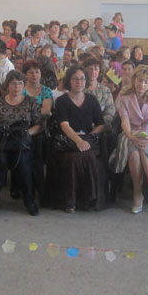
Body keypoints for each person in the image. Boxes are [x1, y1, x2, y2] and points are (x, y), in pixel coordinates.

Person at [110, 66, 148, 213]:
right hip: (129, 133)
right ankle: (142, 191)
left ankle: (145, 188)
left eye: (146, 81)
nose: (142, 84)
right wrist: (131, 136)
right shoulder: (125, 96)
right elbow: (124, 122)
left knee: (141, 149)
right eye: (139, 80)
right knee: (134, 153)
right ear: (134, 80)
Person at [0, 71, 42, 216]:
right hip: (2, 142)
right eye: (13, 83)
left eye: (20, 83)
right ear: (7, 85)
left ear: (24, 85)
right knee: (0, 161)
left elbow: (39, 125)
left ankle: (29, 200)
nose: (17, 86)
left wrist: (27, 133)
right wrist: (1, 130)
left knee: (22, 162)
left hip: (23, 143)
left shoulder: (31, 102)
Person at [50, 65, 106, 212]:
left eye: (82, 79)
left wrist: (87, 138)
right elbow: (64, 125)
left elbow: (101, 125)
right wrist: (78, 140)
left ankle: (90, 200)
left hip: (87, 140)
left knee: (89, 157)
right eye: (75, 79)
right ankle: (70, 201)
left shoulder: (92, 100)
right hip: (68, 142)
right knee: (73, 158)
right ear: (69, 81)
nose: (79, 82)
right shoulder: (62, 101)